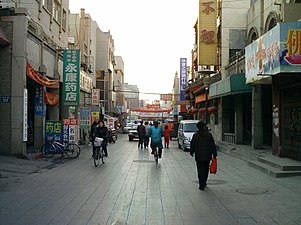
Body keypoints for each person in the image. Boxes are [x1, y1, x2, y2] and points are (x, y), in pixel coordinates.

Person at [190, 121, 217, 190]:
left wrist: (191, 152)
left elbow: (192, 145)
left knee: (200, 170)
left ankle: (201, 184)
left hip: (199, 156)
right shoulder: (209, 135)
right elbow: (213, 145)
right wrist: (214, 154)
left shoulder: (195, 135)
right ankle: (204, 182)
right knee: (205, 169)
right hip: (207, 156)